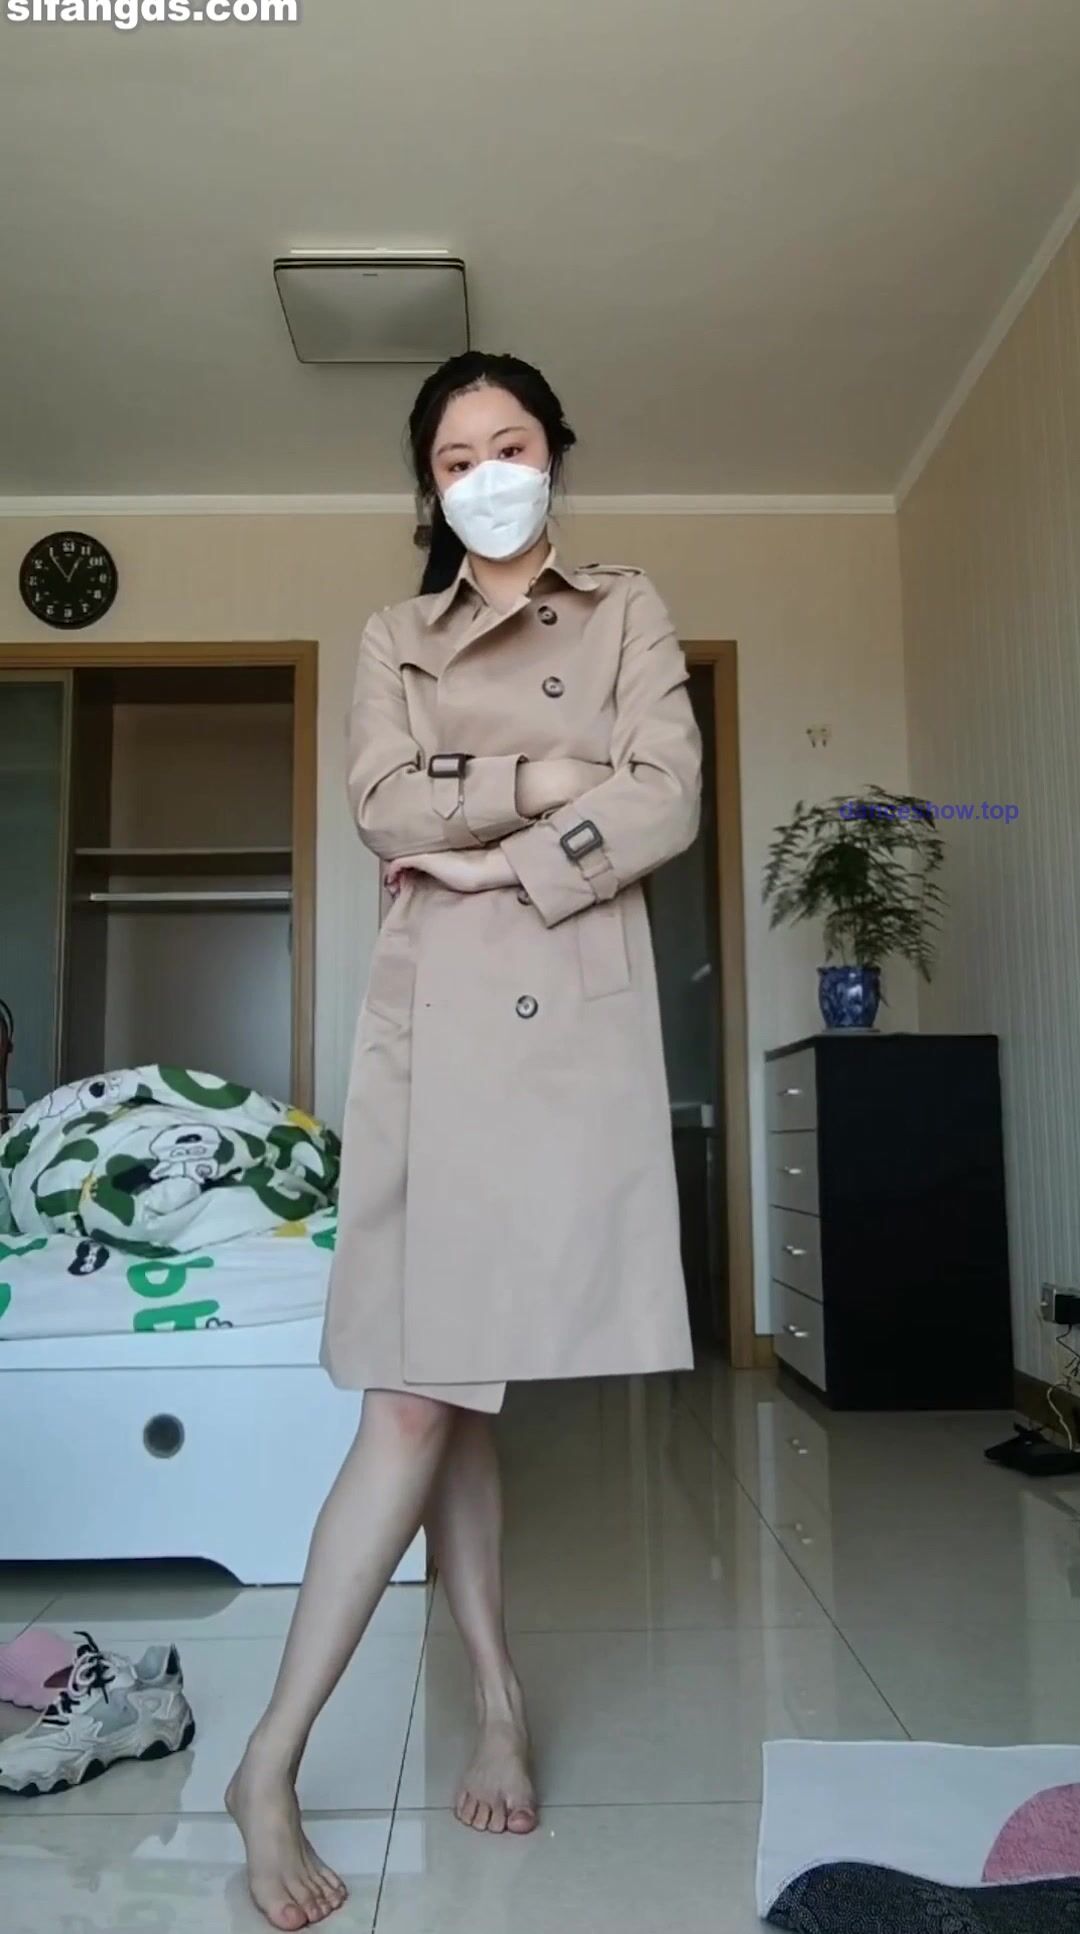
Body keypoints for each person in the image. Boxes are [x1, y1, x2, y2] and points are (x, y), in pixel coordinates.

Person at [226, 351, 703, 1929]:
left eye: (511, 443)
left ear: (554, 453)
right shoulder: (396, 635)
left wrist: (501, 857)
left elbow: (668, 796)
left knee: (458, 1385)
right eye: (454, 456)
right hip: (438, 1034)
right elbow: (382, 801)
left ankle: (489, 1696)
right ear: (429, 487)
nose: (487, 472)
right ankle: (273, 1763)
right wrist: (548, 773)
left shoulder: (626, 610)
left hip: (558, 1016)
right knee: (425, 1393)